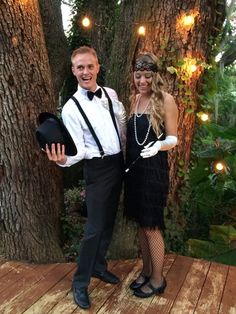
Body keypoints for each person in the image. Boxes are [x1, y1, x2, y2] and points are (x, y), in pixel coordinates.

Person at [45, 46, 126, 309]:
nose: (85, 71)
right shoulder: (71, 108)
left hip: (118, 164)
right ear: (73, 70)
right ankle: (80, 283)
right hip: (98, 169)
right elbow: (77, 150)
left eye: (90, 66)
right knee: (93, 228)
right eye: (80, 67)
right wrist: (63, 160)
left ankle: (99, 267)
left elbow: (120, 127)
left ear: (98, 67)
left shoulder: (111, 94)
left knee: (109, 222)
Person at [124, 53, 178, 298]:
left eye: (147, 75)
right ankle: (146, 270)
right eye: (138, 76)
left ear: (155, 76)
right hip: (134, 170)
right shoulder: (134, 100)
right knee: (140, 225)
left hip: (153, 171)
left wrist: (158, 146)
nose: (142, 81)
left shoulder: (166, 100)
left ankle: (158, 279)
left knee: (151, 226)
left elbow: (173, 139)